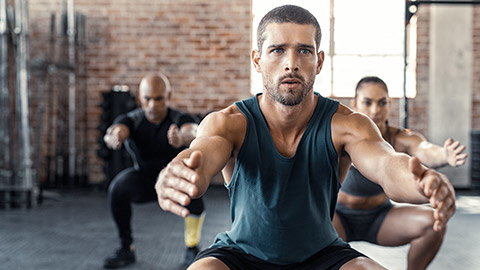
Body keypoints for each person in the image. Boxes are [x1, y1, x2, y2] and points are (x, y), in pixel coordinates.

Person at [155, 5, 456, 270]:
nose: (291, 63)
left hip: (322, 254)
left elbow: (388, 166)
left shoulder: (347, 124)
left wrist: (421, 182)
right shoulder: (230, 123)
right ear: (257, 60)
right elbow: (202, 154)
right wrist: (180, 171)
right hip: (241, 254)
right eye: (277, 50)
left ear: (319, 61)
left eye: (304, 50)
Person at [332, 76, 467, 270]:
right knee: (311, 226)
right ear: (354, 104)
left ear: (389, 104)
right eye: (367, 102)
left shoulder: (398, 137)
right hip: (339, 217)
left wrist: (444, 154)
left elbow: (423, 148)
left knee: (433, 222)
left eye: (382, 103)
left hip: (379, 217)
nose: (375, 110)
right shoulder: (343, 134)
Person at [103, 73, 205, 269]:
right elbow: (117, 129)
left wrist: (182, 138)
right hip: (145, 180)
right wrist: (114, 136)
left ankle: (192, 248)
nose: (152, 105)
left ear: (168, 96)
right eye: (147, 99)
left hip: (174, 181)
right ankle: (126, 248)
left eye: (158, 99)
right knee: (118, 188)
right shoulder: (133, 119)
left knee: (194, 186)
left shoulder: (178, 118)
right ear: (140, 98)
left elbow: (193, 130)